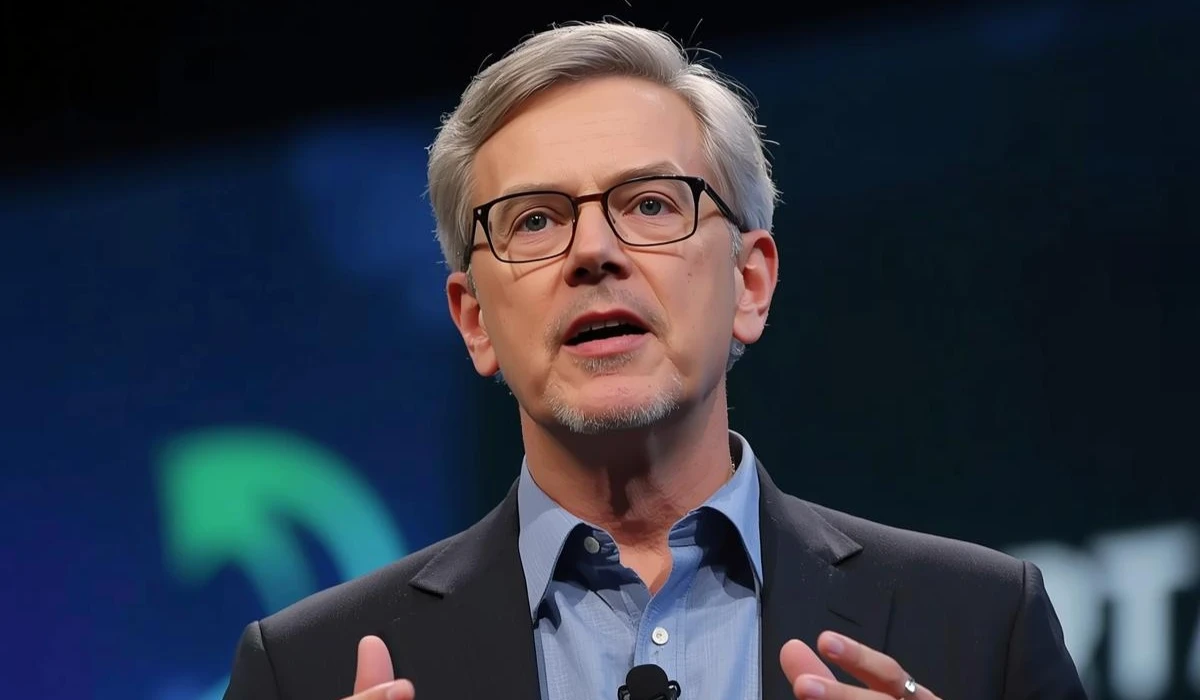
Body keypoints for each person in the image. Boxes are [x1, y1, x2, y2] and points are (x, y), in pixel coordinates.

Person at [222, 21, 1086, 700]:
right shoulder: (304, 671)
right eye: (533, 220)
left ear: (749, 282)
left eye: (649, 203)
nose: (593, 251)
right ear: (474, 319)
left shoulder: (978, 625)